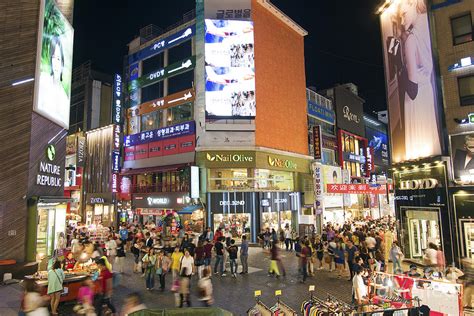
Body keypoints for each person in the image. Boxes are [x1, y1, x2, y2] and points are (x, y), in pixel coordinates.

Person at [398, 0, 441, 159]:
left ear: (413, 3)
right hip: (427, 91)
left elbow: (412, 89)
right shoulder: (428, 30)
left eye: (403, 14)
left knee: (416, 149)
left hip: (415, 101)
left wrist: (402, 70)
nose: (402, 21)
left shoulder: (411, 39)